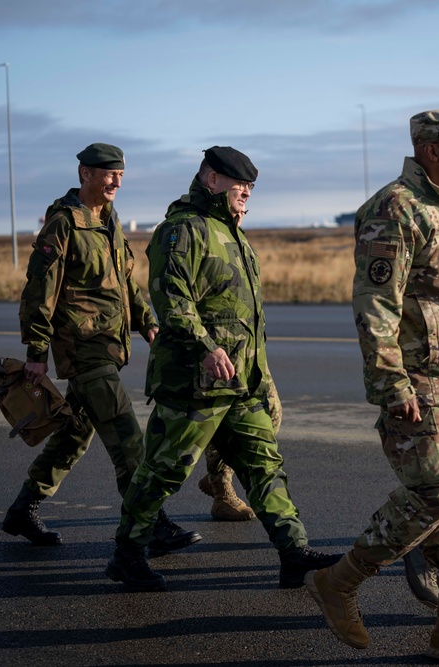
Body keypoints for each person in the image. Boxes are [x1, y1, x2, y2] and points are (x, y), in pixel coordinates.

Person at [302, 110, 439, 663]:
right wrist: (391, 381)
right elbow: (376, 303)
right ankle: (340, 581)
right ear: (429, 150)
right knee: (436, 492)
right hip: (420, 386)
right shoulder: (396, 208)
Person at [105, 146, 340, 592]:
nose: (247, 192)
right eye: (240, 184)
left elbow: (244, 313)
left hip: (240, 382)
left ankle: (294, 552)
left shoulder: (230, 230)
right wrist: (207, 347)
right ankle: (127, 555)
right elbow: (172, 299)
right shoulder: (182, 230)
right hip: (195, 383)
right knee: (162, 472)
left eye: (251, 186)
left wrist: (259, 372)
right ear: (212, 180)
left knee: (264, 464)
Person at [7, 143, 199, 557]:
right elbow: (39, 292)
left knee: (74, 435)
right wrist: (37, 352)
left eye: (121, 176)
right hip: (83, 348)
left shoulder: (107, 219)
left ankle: (23, 509)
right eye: (108, 174)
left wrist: (146, 321)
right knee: (127, 437)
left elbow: (125, 282)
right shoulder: (63, 223)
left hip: (108, 345)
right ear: (84, 174)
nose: (115, 181)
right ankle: (151, 524)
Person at [195, 376, 281, 522]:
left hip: (249, 356)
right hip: (216, 361)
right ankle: (220, 488)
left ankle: (219, 475)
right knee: (219, 415)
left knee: (271, 414)